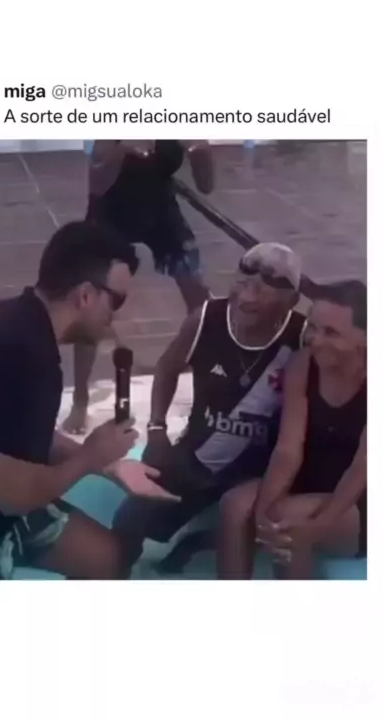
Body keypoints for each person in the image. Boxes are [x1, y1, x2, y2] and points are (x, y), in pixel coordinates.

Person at [0, 222, 179, 581]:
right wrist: (90, 457)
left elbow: (21, 436)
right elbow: (16, 498)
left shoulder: (13, 319)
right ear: (85, 296)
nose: (116, 316)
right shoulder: (30, 358)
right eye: (116, 301)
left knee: (108, 560)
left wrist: (109, 465)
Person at [112, 242, 305, 576]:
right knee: (131, 517)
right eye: (242, 283)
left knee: (263, 526)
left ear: (291, 300)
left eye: (262, 290)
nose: (247, 296)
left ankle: (200, 541)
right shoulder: (206, 319)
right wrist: (157, 429)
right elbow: (168, 366)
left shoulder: (302, 337)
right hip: (197, 458)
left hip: (260, 473)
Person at [62, 139, 214, 435]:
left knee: (199, 295)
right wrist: (121, 149)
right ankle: (80, 398)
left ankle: (201, 373)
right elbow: (97, 186)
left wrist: (201, 152)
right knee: (92, 301)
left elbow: (206, 186)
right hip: (110, 211)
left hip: (159, 210)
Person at [218, 280, 367, 580]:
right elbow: (288, 449)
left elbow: (362, 469)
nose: (315, 340)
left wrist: (320, 526)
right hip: (309, 481)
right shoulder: (303, 365)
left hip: (359, 502)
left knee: (288, 524)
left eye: (331, 333)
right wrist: (262, 512)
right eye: (313, 327)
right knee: (235, 506)